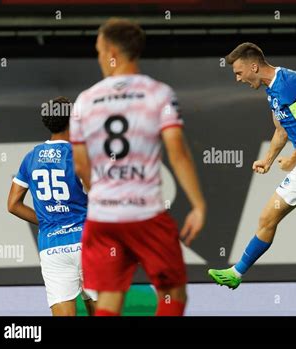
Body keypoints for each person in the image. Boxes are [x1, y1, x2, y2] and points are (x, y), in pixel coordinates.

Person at [70, 18, 206, 316]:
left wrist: (105, 195)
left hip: (102, 219)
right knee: (172, 293)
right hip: (145, 214)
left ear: (111, 51)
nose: (98, 58)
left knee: (108, 298)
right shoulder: (159, 93)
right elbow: (177, 150)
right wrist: (197, 204)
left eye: (98, 51)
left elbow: (81, 165)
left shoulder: (84, 101)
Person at [208, 42, 296, 290]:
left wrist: (294, 160)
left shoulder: (287, 85)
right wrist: (268, 159)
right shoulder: (273, 88)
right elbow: (281, 130)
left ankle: (237, 272)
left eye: (239, 72)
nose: (238, 79)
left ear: (254, 66)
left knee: (267, 216)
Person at [8, 96, 96, 316]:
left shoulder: (31, 158)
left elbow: (13, 205)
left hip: (52, 247)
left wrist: (49, 220)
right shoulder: (79, 156)